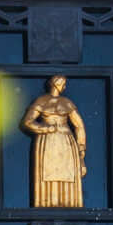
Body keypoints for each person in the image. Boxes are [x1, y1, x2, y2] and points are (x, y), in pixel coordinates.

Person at [20, 75, 89, 209]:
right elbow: (27, 122)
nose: (65, 87)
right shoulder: (41, 101)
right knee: (47, 174)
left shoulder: (67, 103)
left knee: (68, 175)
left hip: (66, 142)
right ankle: (46, 203)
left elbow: (79, 126)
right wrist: (44, 128)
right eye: (63, 84)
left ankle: (70, 205)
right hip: (47, 141)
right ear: (57, 85)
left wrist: (81, 150)